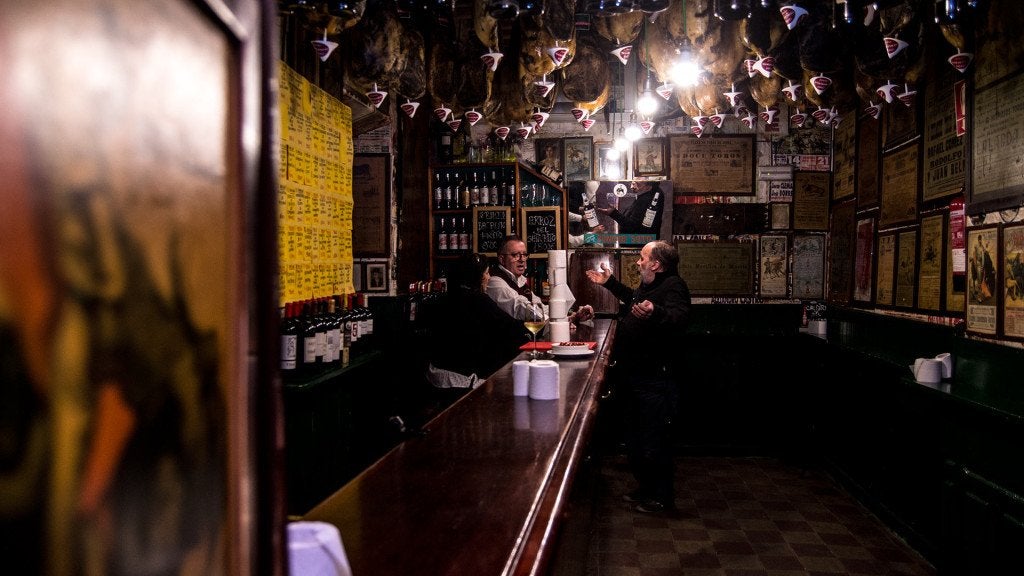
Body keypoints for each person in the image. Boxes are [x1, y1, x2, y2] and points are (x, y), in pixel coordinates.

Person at [585, 240, 691, 513]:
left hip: (655, 379)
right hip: (636, 375)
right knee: (636, 438)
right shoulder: (650, 286)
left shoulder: (674, 286)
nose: (638, 262)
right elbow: (632, 298)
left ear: (656, 264)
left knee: (654, 440)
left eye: (643, 258)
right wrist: (609, 283)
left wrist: (656, 312)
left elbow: (680, 317)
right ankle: (646, 489)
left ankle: (661, 498)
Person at [424, 253, 528, 389]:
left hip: (436, 375)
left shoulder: (445, 298)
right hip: (460, 381)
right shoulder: (478, 300)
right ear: (477, 277)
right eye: (486, 273)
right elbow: (512, 329)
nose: (489, 278)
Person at [486, 235, 594, 324]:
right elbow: (523, 308)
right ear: (502, 259)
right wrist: (561, 321)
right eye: (515, 255)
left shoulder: (520, 281)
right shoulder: (495, 282)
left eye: (524, 255)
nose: (522, 260)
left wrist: (573, 316)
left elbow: (541, 307)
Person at [597, 179, 664, 236]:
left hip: (638, 242)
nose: (631, 187)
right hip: (639, 241)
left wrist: (613, 213)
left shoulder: (648, 198)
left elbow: (632, 226)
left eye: (636, 182)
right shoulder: (653, 193)